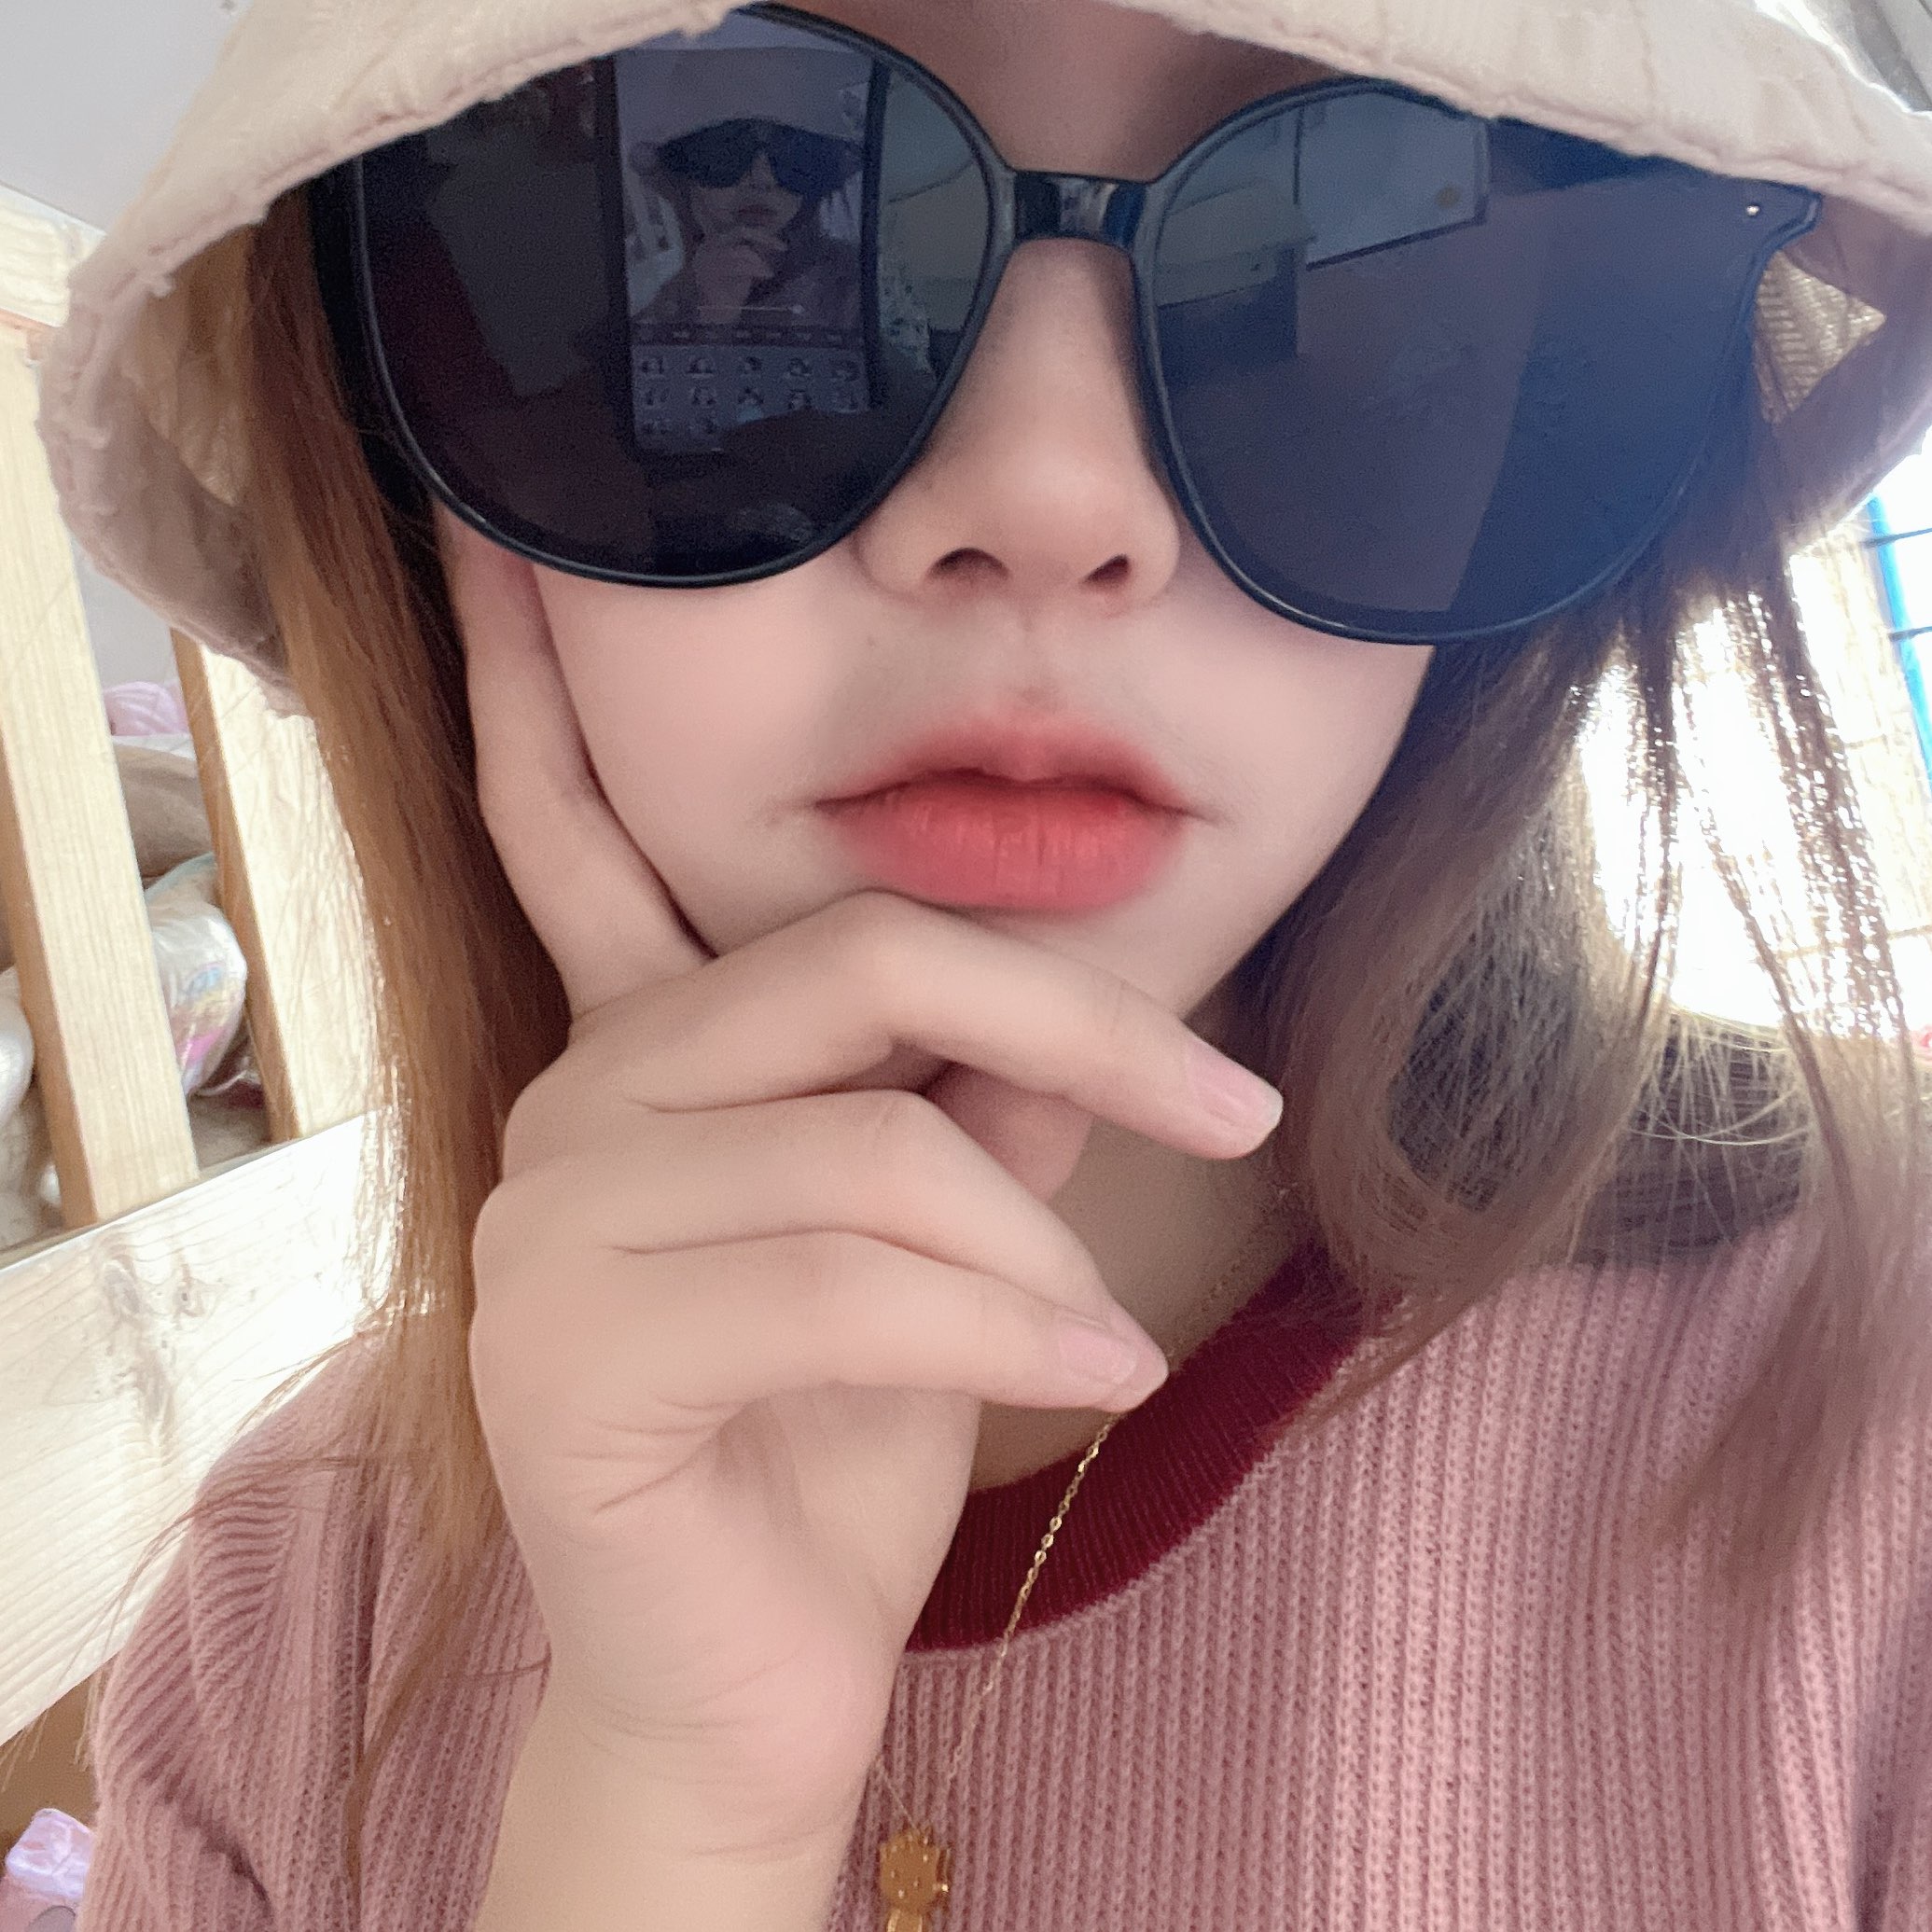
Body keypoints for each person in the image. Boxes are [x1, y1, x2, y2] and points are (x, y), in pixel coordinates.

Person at [28, 0, 1932, 1926]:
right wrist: (662, 1826)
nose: (1052, 503)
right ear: (399, 459)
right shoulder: (282, 1643)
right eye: (777, 259)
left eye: (1359, 221)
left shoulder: (1891, 1440)